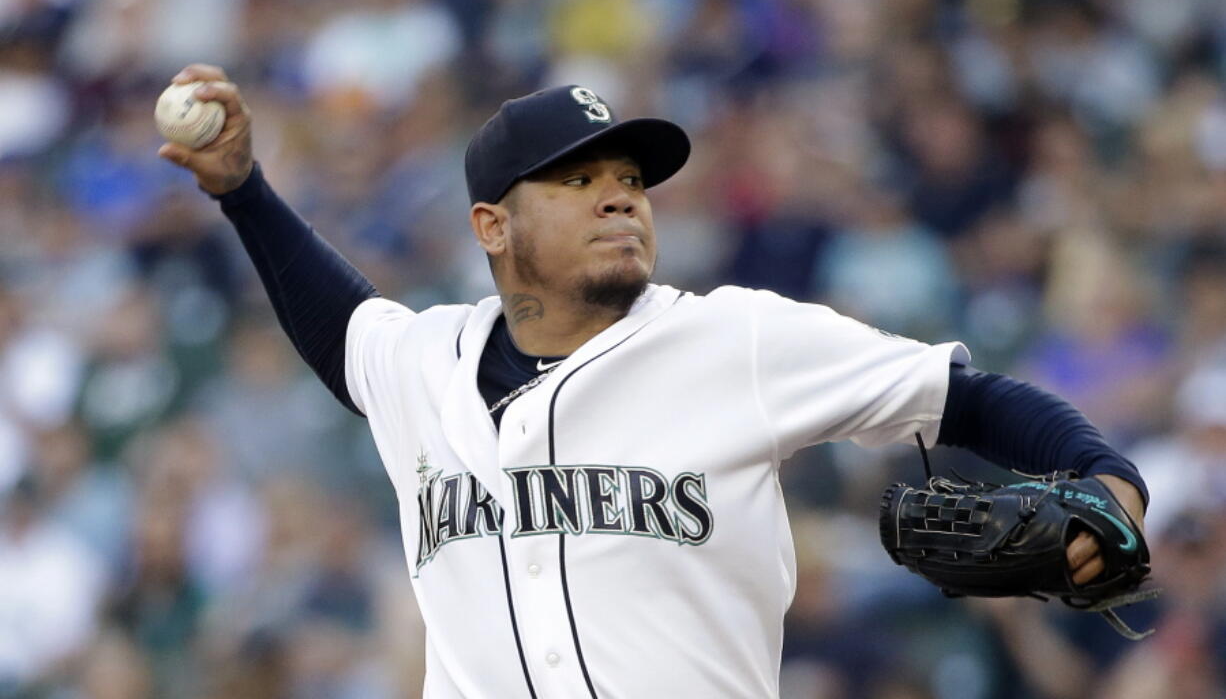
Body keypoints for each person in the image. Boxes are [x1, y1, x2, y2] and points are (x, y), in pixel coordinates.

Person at [158, 65, 1149, 698]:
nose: (618, 197)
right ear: (491, 227)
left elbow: (966, 398)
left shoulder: (737, 341)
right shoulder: (423, 362)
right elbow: (337, 322)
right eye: (577, 180)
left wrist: (1107, 484)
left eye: (628, 178)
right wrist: (242, 190)